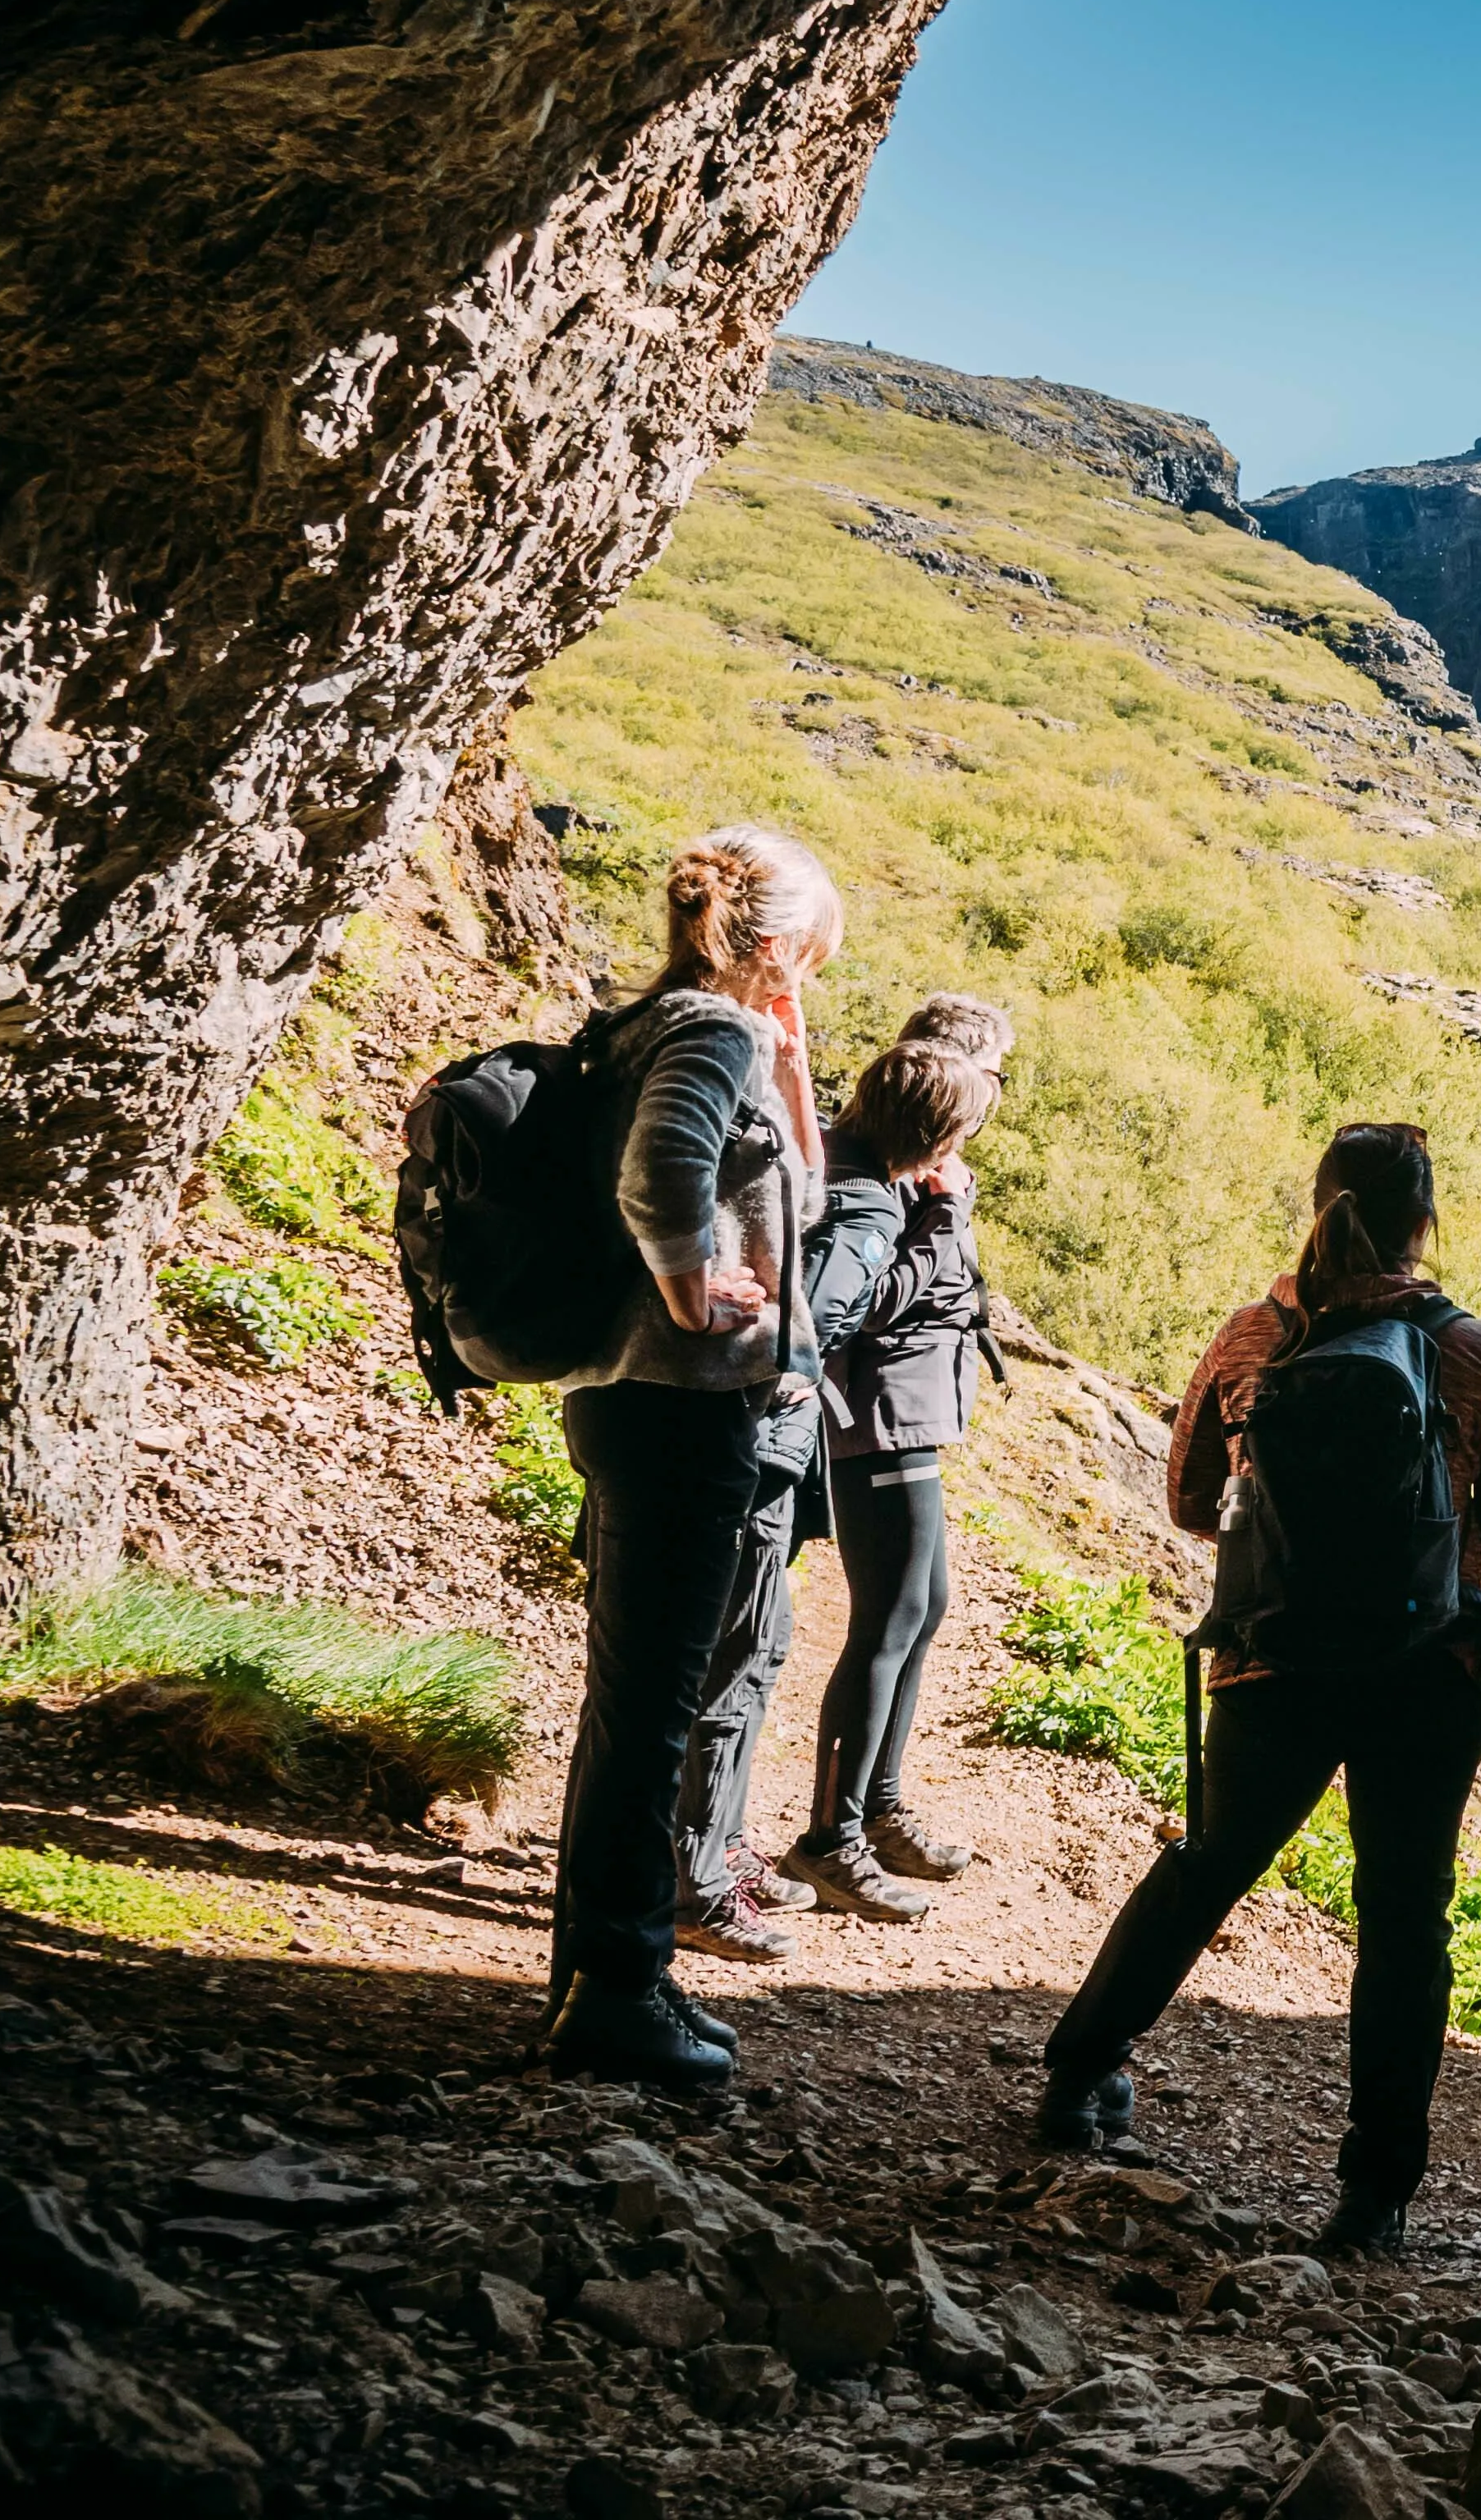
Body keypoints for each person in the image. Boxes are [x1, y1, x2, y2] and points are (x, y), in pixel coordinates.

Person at [1039, 1121, 1481, 2257]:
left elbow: (1184, 1496)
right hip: (1434, 1666)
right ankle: (1373, 2196)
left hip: (1274, 1654)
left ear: (1319, 1203)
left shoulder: (1254, 1335)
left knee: (1209, 1861)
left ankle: (1075, 2077)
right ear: (1425, 1224)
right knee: (1405, 1917)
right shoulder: (1468, 1348)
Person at [541, 822, 846, 2090]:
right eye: (814, 960)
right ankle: (619, 1989)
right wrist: (692, 1289)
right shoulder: (712, 1034)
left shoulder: (661, 1022)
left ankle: (598, 1974)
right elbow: (664, 1172)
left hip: (633, 1404)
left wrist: (794, 1063)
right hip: (680, 1407)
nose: (814, 982)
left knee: (631, 1706)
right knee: (655, 1709)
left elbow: (805, 1194)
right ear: (773, 945)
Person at [782, 1026, 1002, 1918]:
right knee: (889, 1617)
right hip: (874, 1417)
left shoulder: (888, 1172)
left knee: (924, 1605)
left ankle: (876, 1805)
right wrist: (944, 1216)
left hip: (906, 1412)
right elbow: (861, 1302)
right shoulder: (870, 1190)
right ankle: (830, 1837)